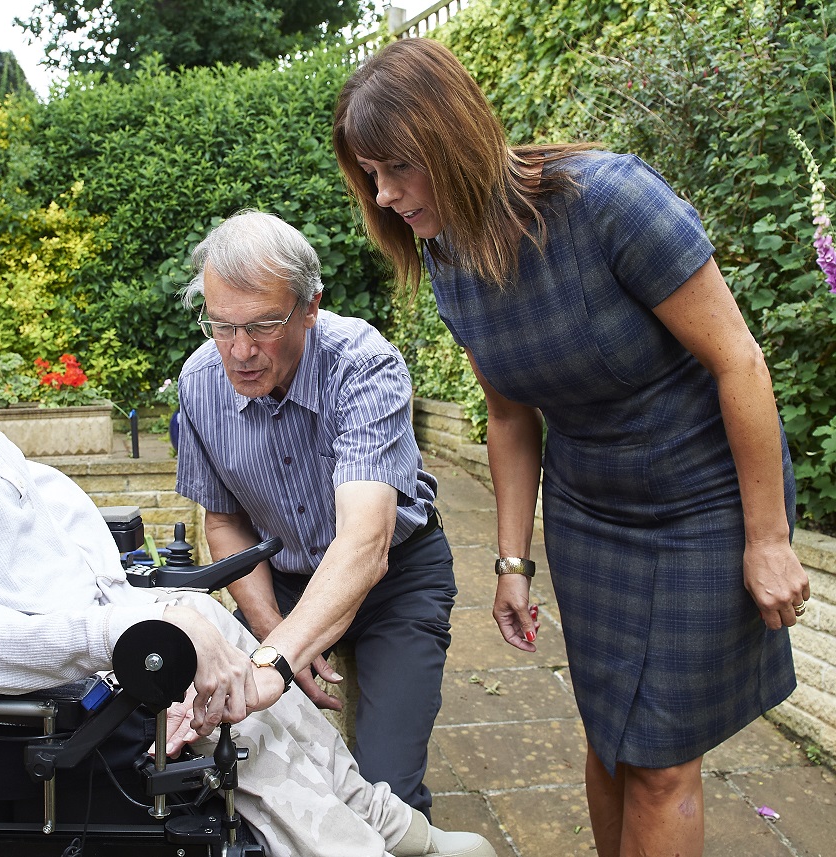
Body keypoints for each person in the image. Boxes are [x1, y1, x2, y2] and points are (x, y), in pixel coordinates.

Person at [0, 185, 496, 857]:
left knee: (270, 707)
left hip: (198, 618)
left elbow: (364, 539)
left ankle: (395, 828)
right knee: (264, 768)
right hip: (65, 693)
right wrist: (116, 634)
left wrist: (164, 612)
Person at [331, 37, 811, 857]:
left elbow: (740, 358)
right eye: (370, 174)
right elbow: (511, 415)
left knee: (660, 758)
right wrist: (511, 562)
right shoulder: (447, 257)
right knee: (610, 737)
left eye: (397, 167)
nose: (385, 194)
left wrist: (766, 537)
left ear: (451, 137)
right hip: (592, 511)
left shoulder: (611, 200)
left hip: (705, 500)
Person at [174, 209, 456, 818]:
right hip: (282, 580)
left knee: (385, 793)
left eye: (264, 326)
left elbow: (365, 542)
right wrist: (276, 630)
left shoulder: (363, 364)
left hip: (396, 580)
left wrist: (275, 659)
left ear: (311, 307)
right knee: (267, 776)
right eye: (221, 327)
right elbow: (222, 522)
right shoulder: (198, 383)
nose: (240, 352)